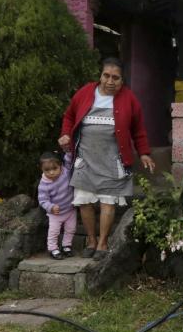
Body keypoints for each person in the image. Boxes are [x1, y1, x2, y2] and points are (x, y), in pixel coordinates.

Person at [58, 58, 155, 261]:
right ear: (100, 75)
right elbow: (69, 116)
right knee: (84, 201)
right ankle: (91, 241)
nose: (110, 81)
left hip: (113, 160)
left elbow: (138, 129)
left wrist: (144, 152)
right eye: (106, 76)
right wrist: (66, 134)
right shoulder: (85, 92)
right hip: (85, 158)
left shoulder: (129, 99)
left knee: (107, 202)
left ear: (122, 80)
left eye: (115, 78)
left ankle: (102, 243)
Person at [37, 151, 76, 260]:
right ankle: (53, 249)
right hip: (55, 214)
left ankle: (66, 246)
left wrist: (68, 151)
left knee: (71, 229)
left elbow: (69, 160)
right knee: (54, 232)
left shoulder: (65, 172)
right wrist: (51, 207)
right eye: (47, 170)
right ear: (42, 169)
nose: (51, 172)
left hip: (70, 209)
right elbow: (42, 200)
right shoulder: (44, 184)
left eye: (55, 168)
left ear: (60, 166)